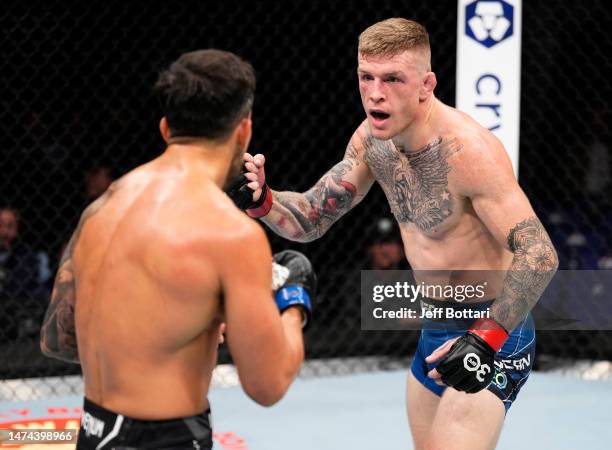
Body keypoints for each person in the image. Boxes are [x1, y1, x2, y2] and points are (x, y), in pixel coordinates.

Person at [230, 18, 558, 450]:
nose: (375, 92)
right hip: (435, 326)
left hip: (494, 327)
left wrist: (486, 337)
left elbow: (539, 255)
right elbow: (312, 216)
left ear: (426, 85)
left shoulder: (469, 153)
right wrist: (263, 200)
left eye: (392, 79)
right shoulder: (372, 141)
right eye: (366, 77)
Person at [40, 49, 315, 450]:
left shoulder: (101, 209)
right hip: (167, 439)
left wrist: (181, 317)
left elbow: (57, 339)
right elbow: (267, 385)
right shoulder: (230, 234)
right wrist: (292, 300)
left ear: (166, 128)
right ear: (244, 131)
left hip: (94, 433)